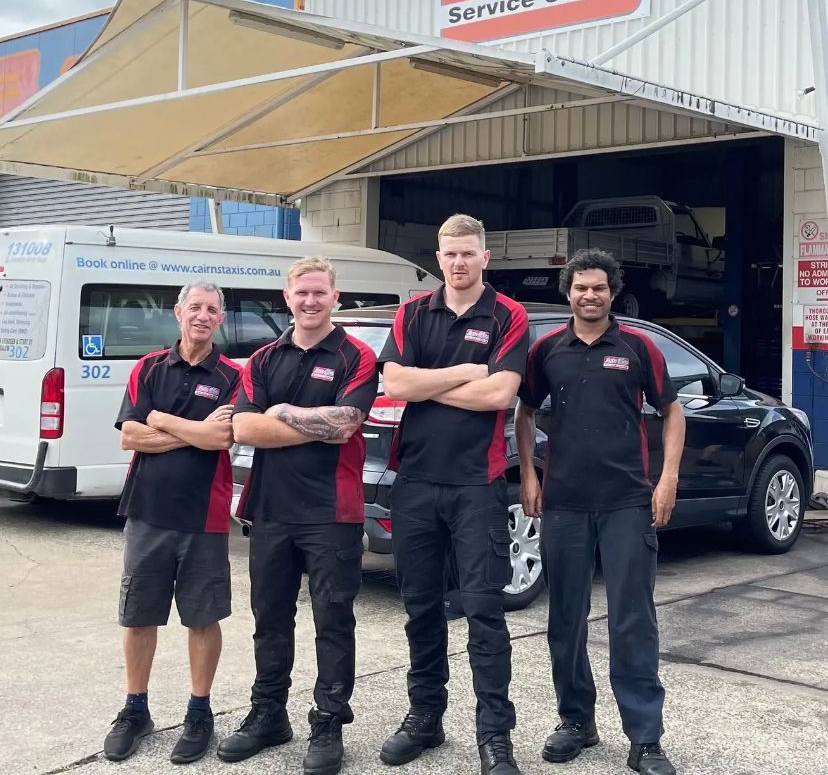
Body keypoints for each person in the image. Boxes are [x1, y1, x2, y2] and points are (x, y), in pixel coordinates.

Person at [515, 249, 686, 775]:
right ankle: (576, 721)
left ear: (612, 292)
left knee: (633, 620)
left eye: (599, 288)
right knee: (565, 618)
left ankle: (645, 737)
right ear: (567, 292)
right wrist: (527, 473)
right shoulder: (547, 350)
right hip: (564, 501)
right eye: (580, 288)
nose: (590, 295)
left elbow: (672, 410)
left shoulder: (637, 347)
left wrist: (668, 479)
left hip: (627, 502)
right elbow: (523, 412)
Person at [378, 214, 529, 775]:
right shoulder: (413, 312)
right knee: (420, 608)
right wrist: (466, 369)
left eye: (469, 253)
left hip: (477, 486)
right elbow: (394, 384)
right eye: (450, 254)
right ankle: (425, 718)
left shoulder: (509, 316)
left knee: (485, 612)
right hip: (414, 482)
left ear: (485, 257)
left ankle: (494, 734)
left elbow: (499, 396)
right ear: (438, 258)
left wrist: (429, 382)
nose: (459, 262)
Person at [219, 256, 378, 775]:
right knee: (270, 619)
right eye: (301, 293)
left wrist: (277, 413)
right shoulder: (264, 358)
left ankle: (328, 723)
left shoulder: (357, 356)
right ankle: (269, 715)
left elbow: (348, 423)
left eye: (319, 293)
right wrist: (311, 421)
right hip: (271, 509)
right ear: (286, 299)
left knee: (333, 622)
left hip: (333, 511)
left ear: (336, 297)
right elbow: (242, 429)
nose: (310, 301)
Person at [104, 281, 241, 764]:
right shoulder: (148, 367)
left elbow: (222, 437)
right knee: (139, 614)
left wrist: (162, 419)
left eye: (212, 309)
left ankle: (199, 712)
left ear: (220, 319)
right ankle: (135, 708)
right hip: (147, 511)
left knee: (202, 617)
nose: (202, 316)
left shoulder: (232, 376)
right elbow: (129, 437)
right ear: (178, 313)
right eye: (195, 307)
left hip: (204, 516)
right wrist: (194, 432)